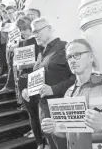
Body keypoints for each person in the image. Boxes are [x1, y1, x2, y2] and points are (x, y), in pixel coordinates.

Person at [41, 39, 102, 149]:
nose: (72, 60)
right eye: (69, 57)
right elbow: (67, 133)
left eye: (77, 55)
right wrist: (54, 128)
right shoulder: (69, 93)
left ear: (91, 57)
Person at [22, 17, 75, 149]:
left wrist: (54, 89)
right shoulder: (41, 54)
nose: (35, 35)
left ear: (50, 29)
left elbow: (78, 78)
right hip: (44, 110)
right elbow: (39, 80)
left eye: (38, 31)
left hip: (61, 109)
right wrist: (28, 90)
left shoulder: (65, 47)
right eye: (33, 32)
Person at [15, 16, 44, 149]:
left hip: (35, 78)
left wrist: (26, 64)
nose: (24, 32)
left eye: (26, 28)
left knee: (40, 111)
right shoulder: (20, 43)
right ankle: (39, 142)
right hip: (23, 80)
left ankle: (44, 140)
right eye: (21, 29)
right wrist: (19, 66)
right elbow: (18, 64)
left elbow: (40, 63)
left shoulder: (37, 41)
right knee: (31, 113)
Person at [0, 5, 17, 92]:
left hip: (20, 46)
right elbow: (5, 37)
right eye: (8, 13)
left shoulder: (19, 21)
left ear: (15, 11)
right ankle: (9, 86)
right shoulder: (6, 23)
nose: (9, 14)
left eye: (11, 12)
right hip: (9, 47)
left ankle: (14, 87)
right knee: (10, 65)